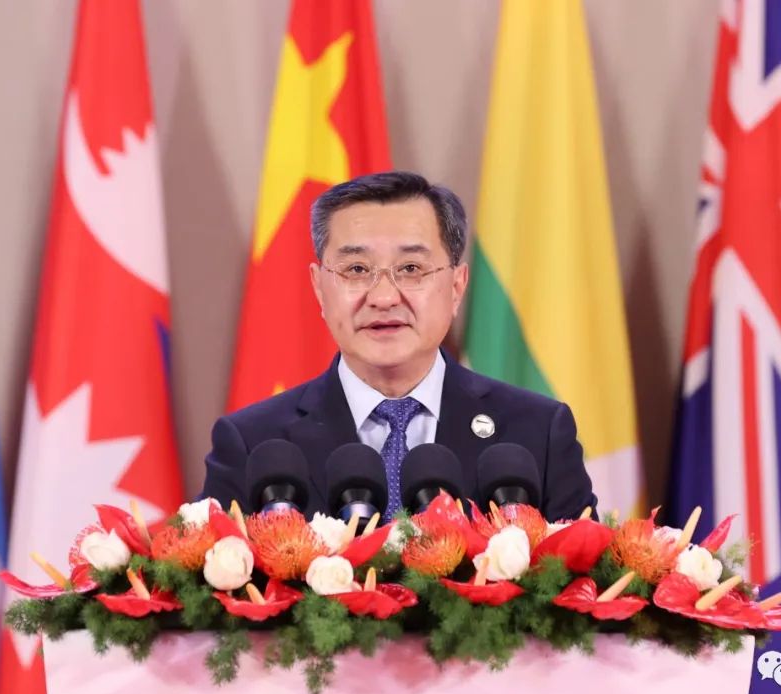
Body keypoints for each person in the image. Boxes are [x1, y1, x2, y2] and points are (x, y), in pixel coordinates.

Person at [202, 171, 596, 522]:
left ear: (457, 287)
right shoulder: (252, 443)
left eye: (411, 269)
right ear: (319, 288)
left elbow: (586, 575)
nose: (384, 297)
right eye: (357, 269)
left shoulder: (537, 433)